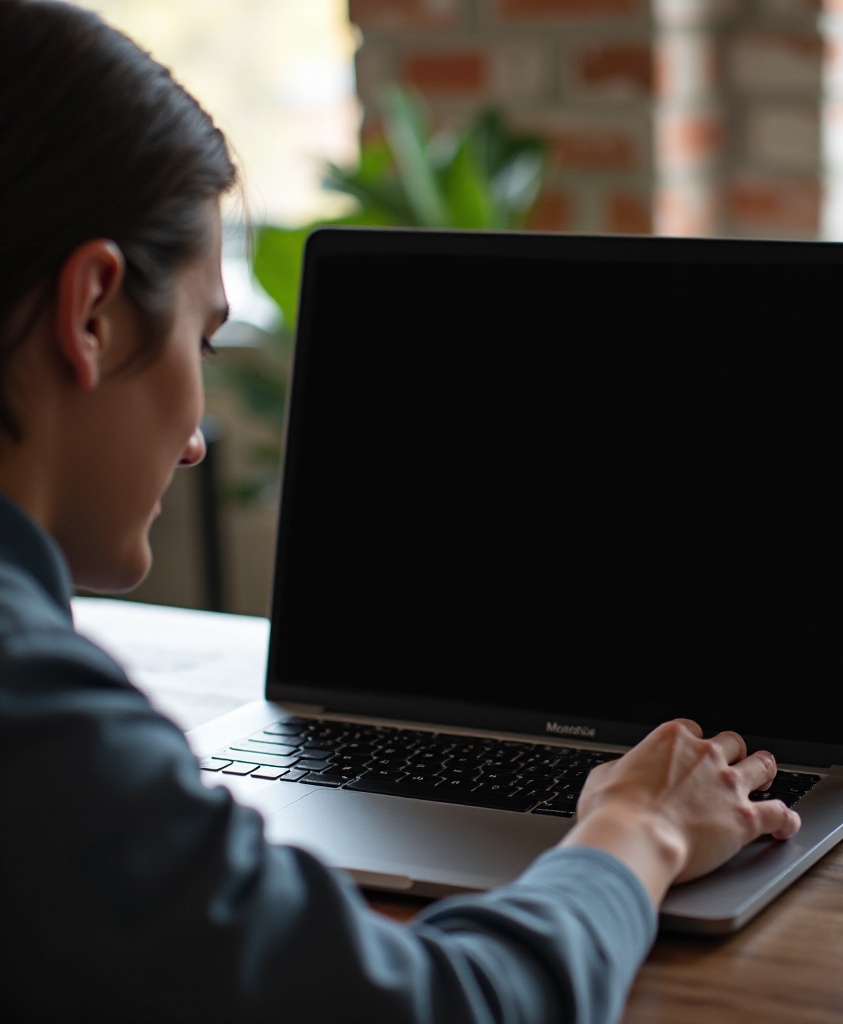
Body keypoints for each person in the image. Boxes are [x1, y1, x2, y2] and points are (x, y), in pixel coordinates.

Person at [0, 2, 801, 1021]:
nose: (195, 439)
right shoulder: (37, 721)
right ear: (94, 314)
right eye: (200, 345)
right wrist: (637, 827)